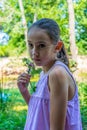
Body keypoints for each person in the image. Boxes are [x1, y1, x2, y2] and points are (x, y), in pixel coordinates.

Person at [17, 18, 82, 130]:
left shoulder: (57, 74)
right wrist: (24, 91)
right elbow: (40, 112)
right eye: (30, 45)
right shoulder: (45, 73)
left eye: (41, 45)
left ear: (57, 47)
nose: (34, 52)